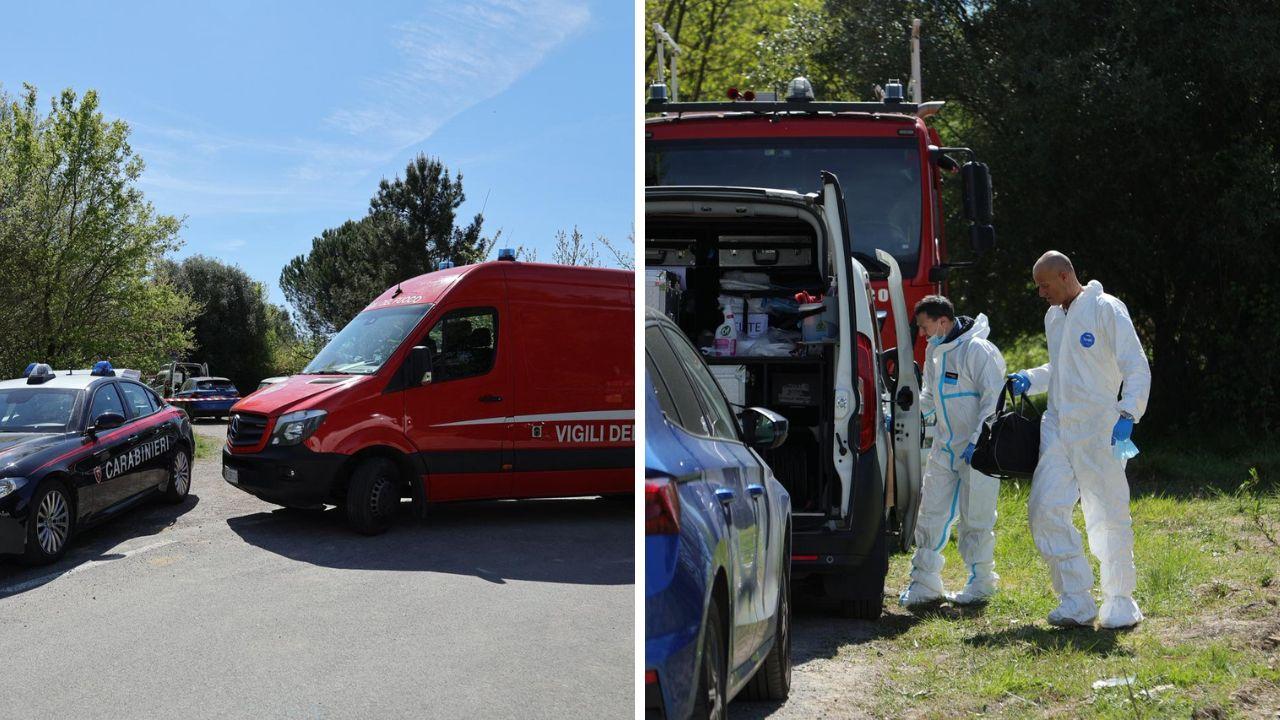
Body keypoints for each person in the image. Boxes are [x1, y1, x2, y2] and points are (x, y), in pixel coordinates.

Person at [1009, 251, 1151, 629]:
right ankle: (1076, 600)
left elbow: (1135, 363)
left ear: (1064, 275)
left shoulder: (1106, 308)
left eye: (1044, 285)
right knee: (1044, 509)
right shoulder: (1054, 317)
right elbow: (1061, 367)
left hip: (1099, 428)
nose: (1040, 293)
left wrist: (1128, 413)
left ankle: (1120, 600)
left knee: (1107, 514)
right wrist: (1032, 378)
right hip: (1058, 429)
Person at [899, 295, 1007, 607]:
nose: (921, 334)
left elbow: (993, 400)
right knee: (930, 513)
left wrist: (978, 442)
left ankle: (982, 583)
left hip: (978, 451)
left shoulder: (978, 351)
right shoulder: (936, 350)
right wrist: (908, 412)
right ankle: (924, 584)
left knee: (977, 518)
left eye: (924, 326)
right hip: (945, 449)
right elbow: (930, 396)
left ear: (942, 321)